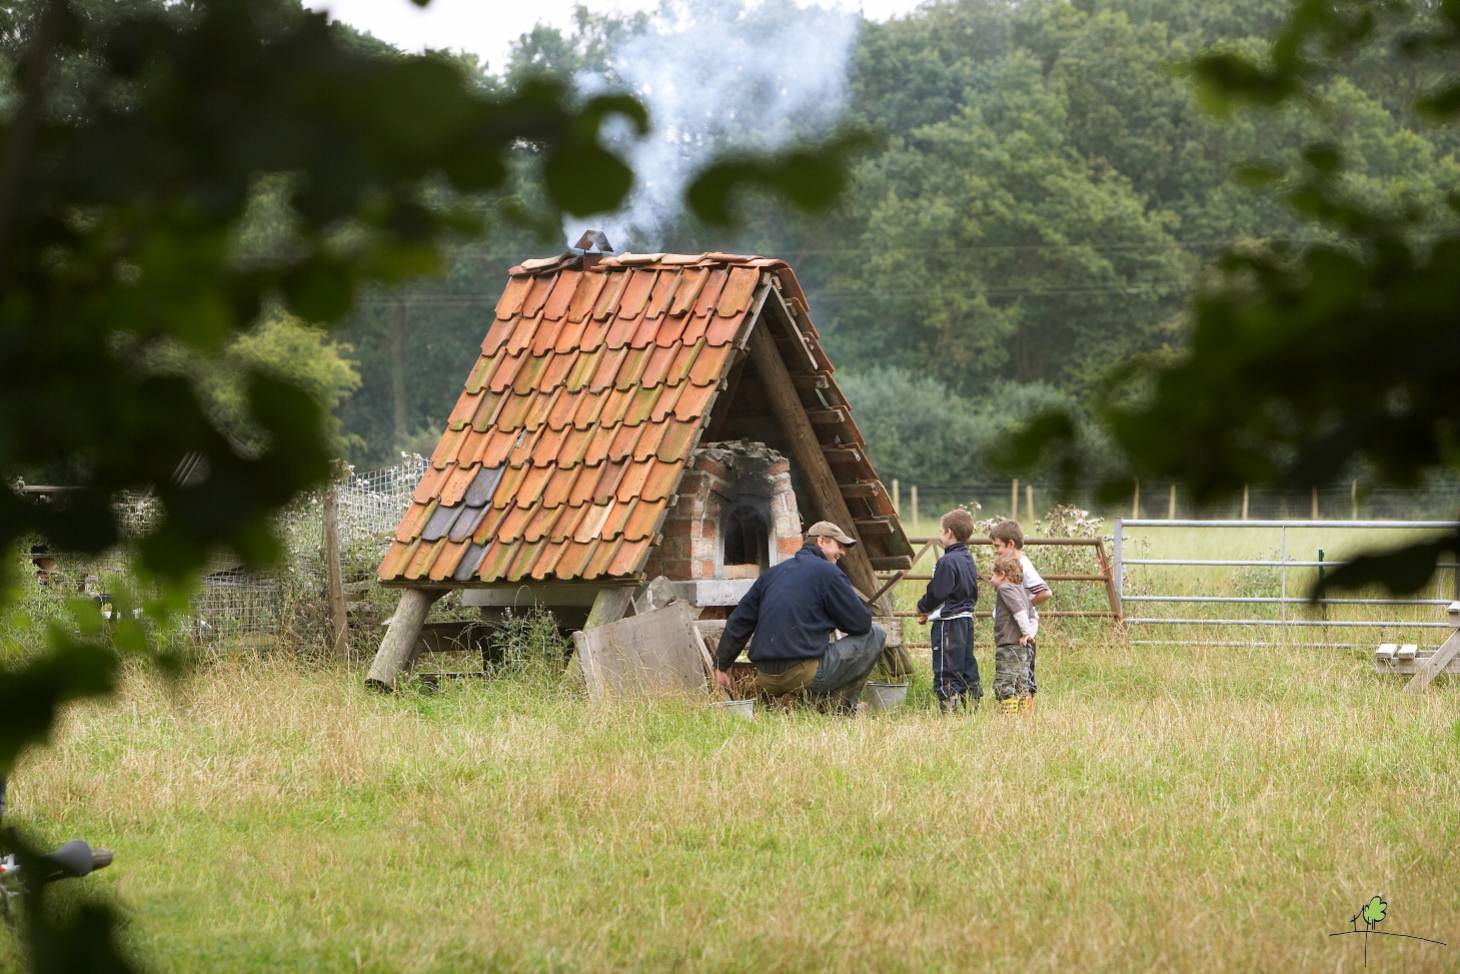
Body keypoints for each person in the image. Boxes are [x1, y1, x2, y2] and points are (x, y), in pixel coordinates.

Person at [713, 521, 887, 712]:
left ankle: (798, 705)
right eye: (839, 546)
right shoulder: (828, 572)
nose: (842, 552)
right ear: (821, 541)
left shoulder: (771, 574)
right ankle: (840, 709)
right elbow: (861, 625)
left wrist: (721, 665)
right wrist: (833, 615)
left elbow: (739, 621)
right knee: (876, 635)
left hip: (766, 678)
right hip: (804, 676)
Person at [915, 508, 979, 712]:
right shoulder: (968, 559)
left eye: (941, 531)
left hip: (949, 621)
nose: (939, 535)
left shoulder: (947, 562)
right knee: (966, 662)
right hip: (966, 619)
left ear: (949, 532)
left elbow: (938, 591)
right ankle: (971, 702)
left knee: (947, 663)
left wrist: (923, 607)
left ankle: (949, 705)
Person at [990, 520, 1052, 712]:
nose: (996, 551)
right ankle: (1020, 716)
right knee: (1020, 677)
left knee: (1017, 677)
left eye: (997, 546)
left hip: (1018, 636)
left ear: (1011, 544)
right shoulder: (1014, 566)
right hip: (1020, 633)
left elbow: (1045, 592)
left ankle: (1023, 715)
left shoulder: (1023, 564)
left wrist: (1021, 609)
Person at [989, 552, 1037, 714]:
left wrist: (1026, 632)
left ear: (1002, 574)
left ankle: (1008, 718)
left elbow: (1019, 612)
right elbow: (1034, 617)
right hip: (1023, 647)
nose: (991, 579)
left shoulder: (1005, 589)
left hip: (1009, 645)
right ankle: (1024, 716)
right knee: (1021, 682)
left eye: (992, 575)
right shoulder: (1022, 592)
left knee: (1005, 682)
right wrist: (1030, 635)